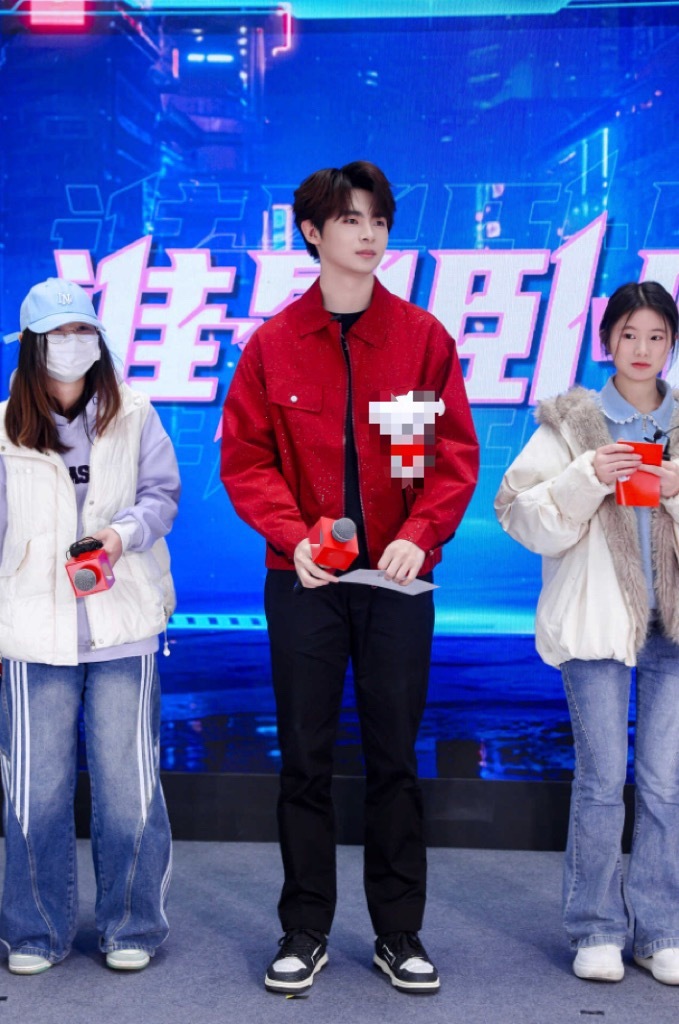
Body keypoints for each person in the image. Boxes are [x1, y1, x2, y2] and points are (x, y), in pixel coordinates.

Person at [221, 160, 479, 994]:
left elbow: (449, 458)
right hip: (305, 583)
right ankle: (304, 929)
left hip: (396, 586)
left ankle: (399, 933)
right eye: (350, 220)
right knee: (303, 757)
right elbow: (247, 459)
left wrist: (419, 534)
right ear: (311, 232)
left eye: (379, 221)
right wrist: (292, 536)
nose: (369, 235)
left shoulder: (419, 339)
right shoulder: (273, 344)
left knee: (393, 756)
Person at [495, 281, 679, 985]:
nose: (642, 349)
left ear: (671, 345)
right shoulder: (571, 425)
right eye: (629, 334)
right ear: (607, 341)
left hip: (672, 630)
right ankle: (596, 927)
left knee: (664, 785)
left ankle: (660, 929)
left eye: (656, 336)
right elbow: (517, 514)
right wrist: (585, 477)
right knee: (602, 781)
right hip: (597, 623)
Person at [0, 278, 180, 975]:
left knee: (129, 790)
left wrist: (121, 534)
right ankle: (34, 931)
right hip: (31, 631)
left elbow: (161, 496)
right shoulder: (5, 426)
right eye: (58, 332)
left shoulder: (135, 414)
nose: (73, 344)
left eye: (83, 330)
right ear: (32, 345)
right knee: (35, 793)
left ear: (99, 340)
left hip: (123, 624)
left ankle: (131, 924)